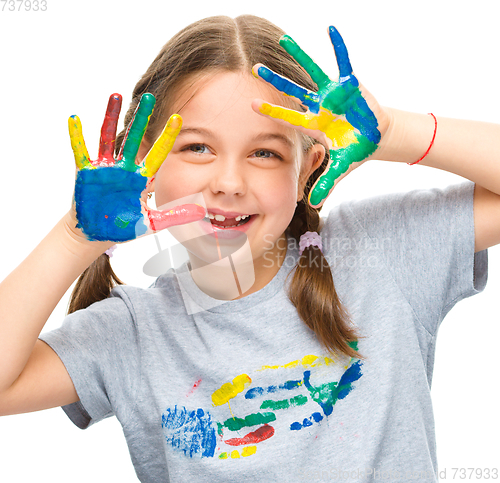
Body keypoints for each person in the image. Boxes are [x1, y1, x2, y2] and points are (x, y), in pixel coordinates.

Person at [0, 14, 498, 482]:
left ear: (307, 169)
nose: (230, 182)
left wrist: (397, 133)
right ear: (146, 166)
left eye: (265, 152)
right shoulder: (131, 331)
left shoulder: (379, 252)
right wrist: (74, 238)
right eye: (198, 147)